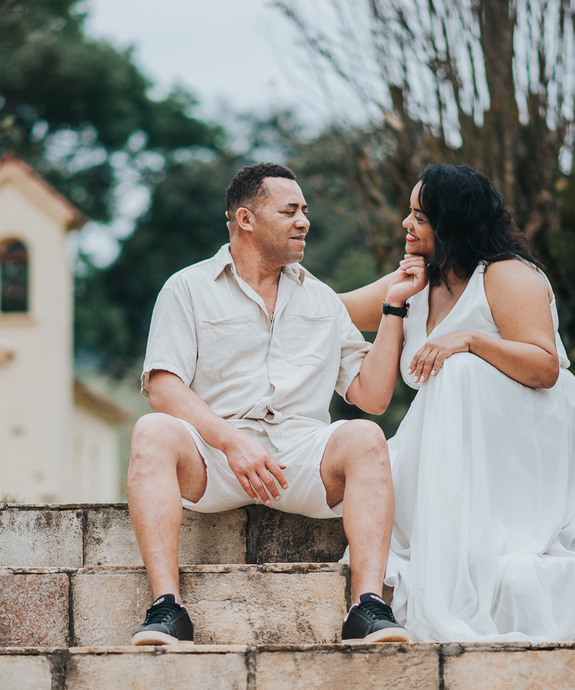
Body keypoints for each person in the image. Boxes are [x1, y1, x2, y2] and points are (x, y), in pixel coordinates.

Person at [340, 164, 575, 642]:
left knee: (459, 369)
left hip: (531, 427)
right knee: (375, 468)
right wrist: (273, 274)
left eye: (420, 217)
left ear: (453, 224)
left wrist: (469, 340)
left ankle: (479, 542)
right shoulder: (414, 281)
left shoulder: (507, 274)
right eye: (410, 213)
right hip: (460, 439)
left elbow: (545, 367)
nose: (406, 224)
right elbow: (329, 309)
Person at [128, 162, 420, 646]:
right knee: (151, 430)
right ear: (246, 219)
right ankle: (166, 609)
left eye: (304, 210)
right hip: (215, 458)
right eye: (289, 211)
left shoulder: (322, 300)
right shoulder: (187, 288)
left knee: (366, 435)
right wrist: (231, 442)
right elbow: (163, 386)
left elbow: (370, 397)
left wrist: (393, 307)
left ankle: (367, 607)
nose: (304, 221)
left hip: (300, 460)